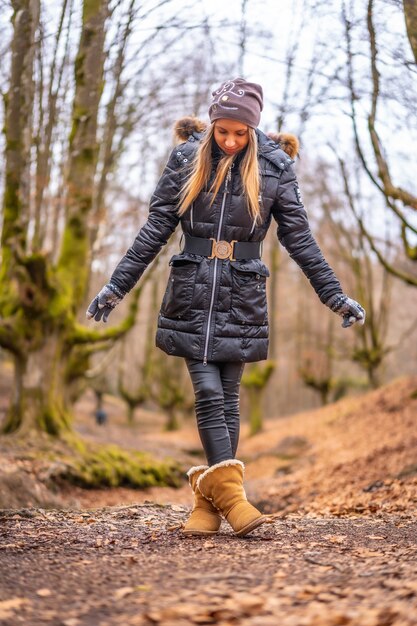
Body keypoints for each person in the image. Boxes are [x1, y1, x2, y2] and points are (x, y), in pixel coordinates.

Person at [86, 78, 365, 537]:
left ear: (253, 130)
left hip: (244, 293)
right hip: (191, 290)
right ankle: (235, 502)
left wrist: (335, 296)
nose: (231, 141)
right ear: (212, 125)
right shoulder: (185, 158)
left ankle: (206, 507)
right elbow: (155, 228)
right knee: (209, 394)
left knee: (229, 400)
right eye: (223, 132)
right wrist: (116, 286)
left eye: (240, 133)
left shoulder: (276, 167)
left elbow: (300, 240)